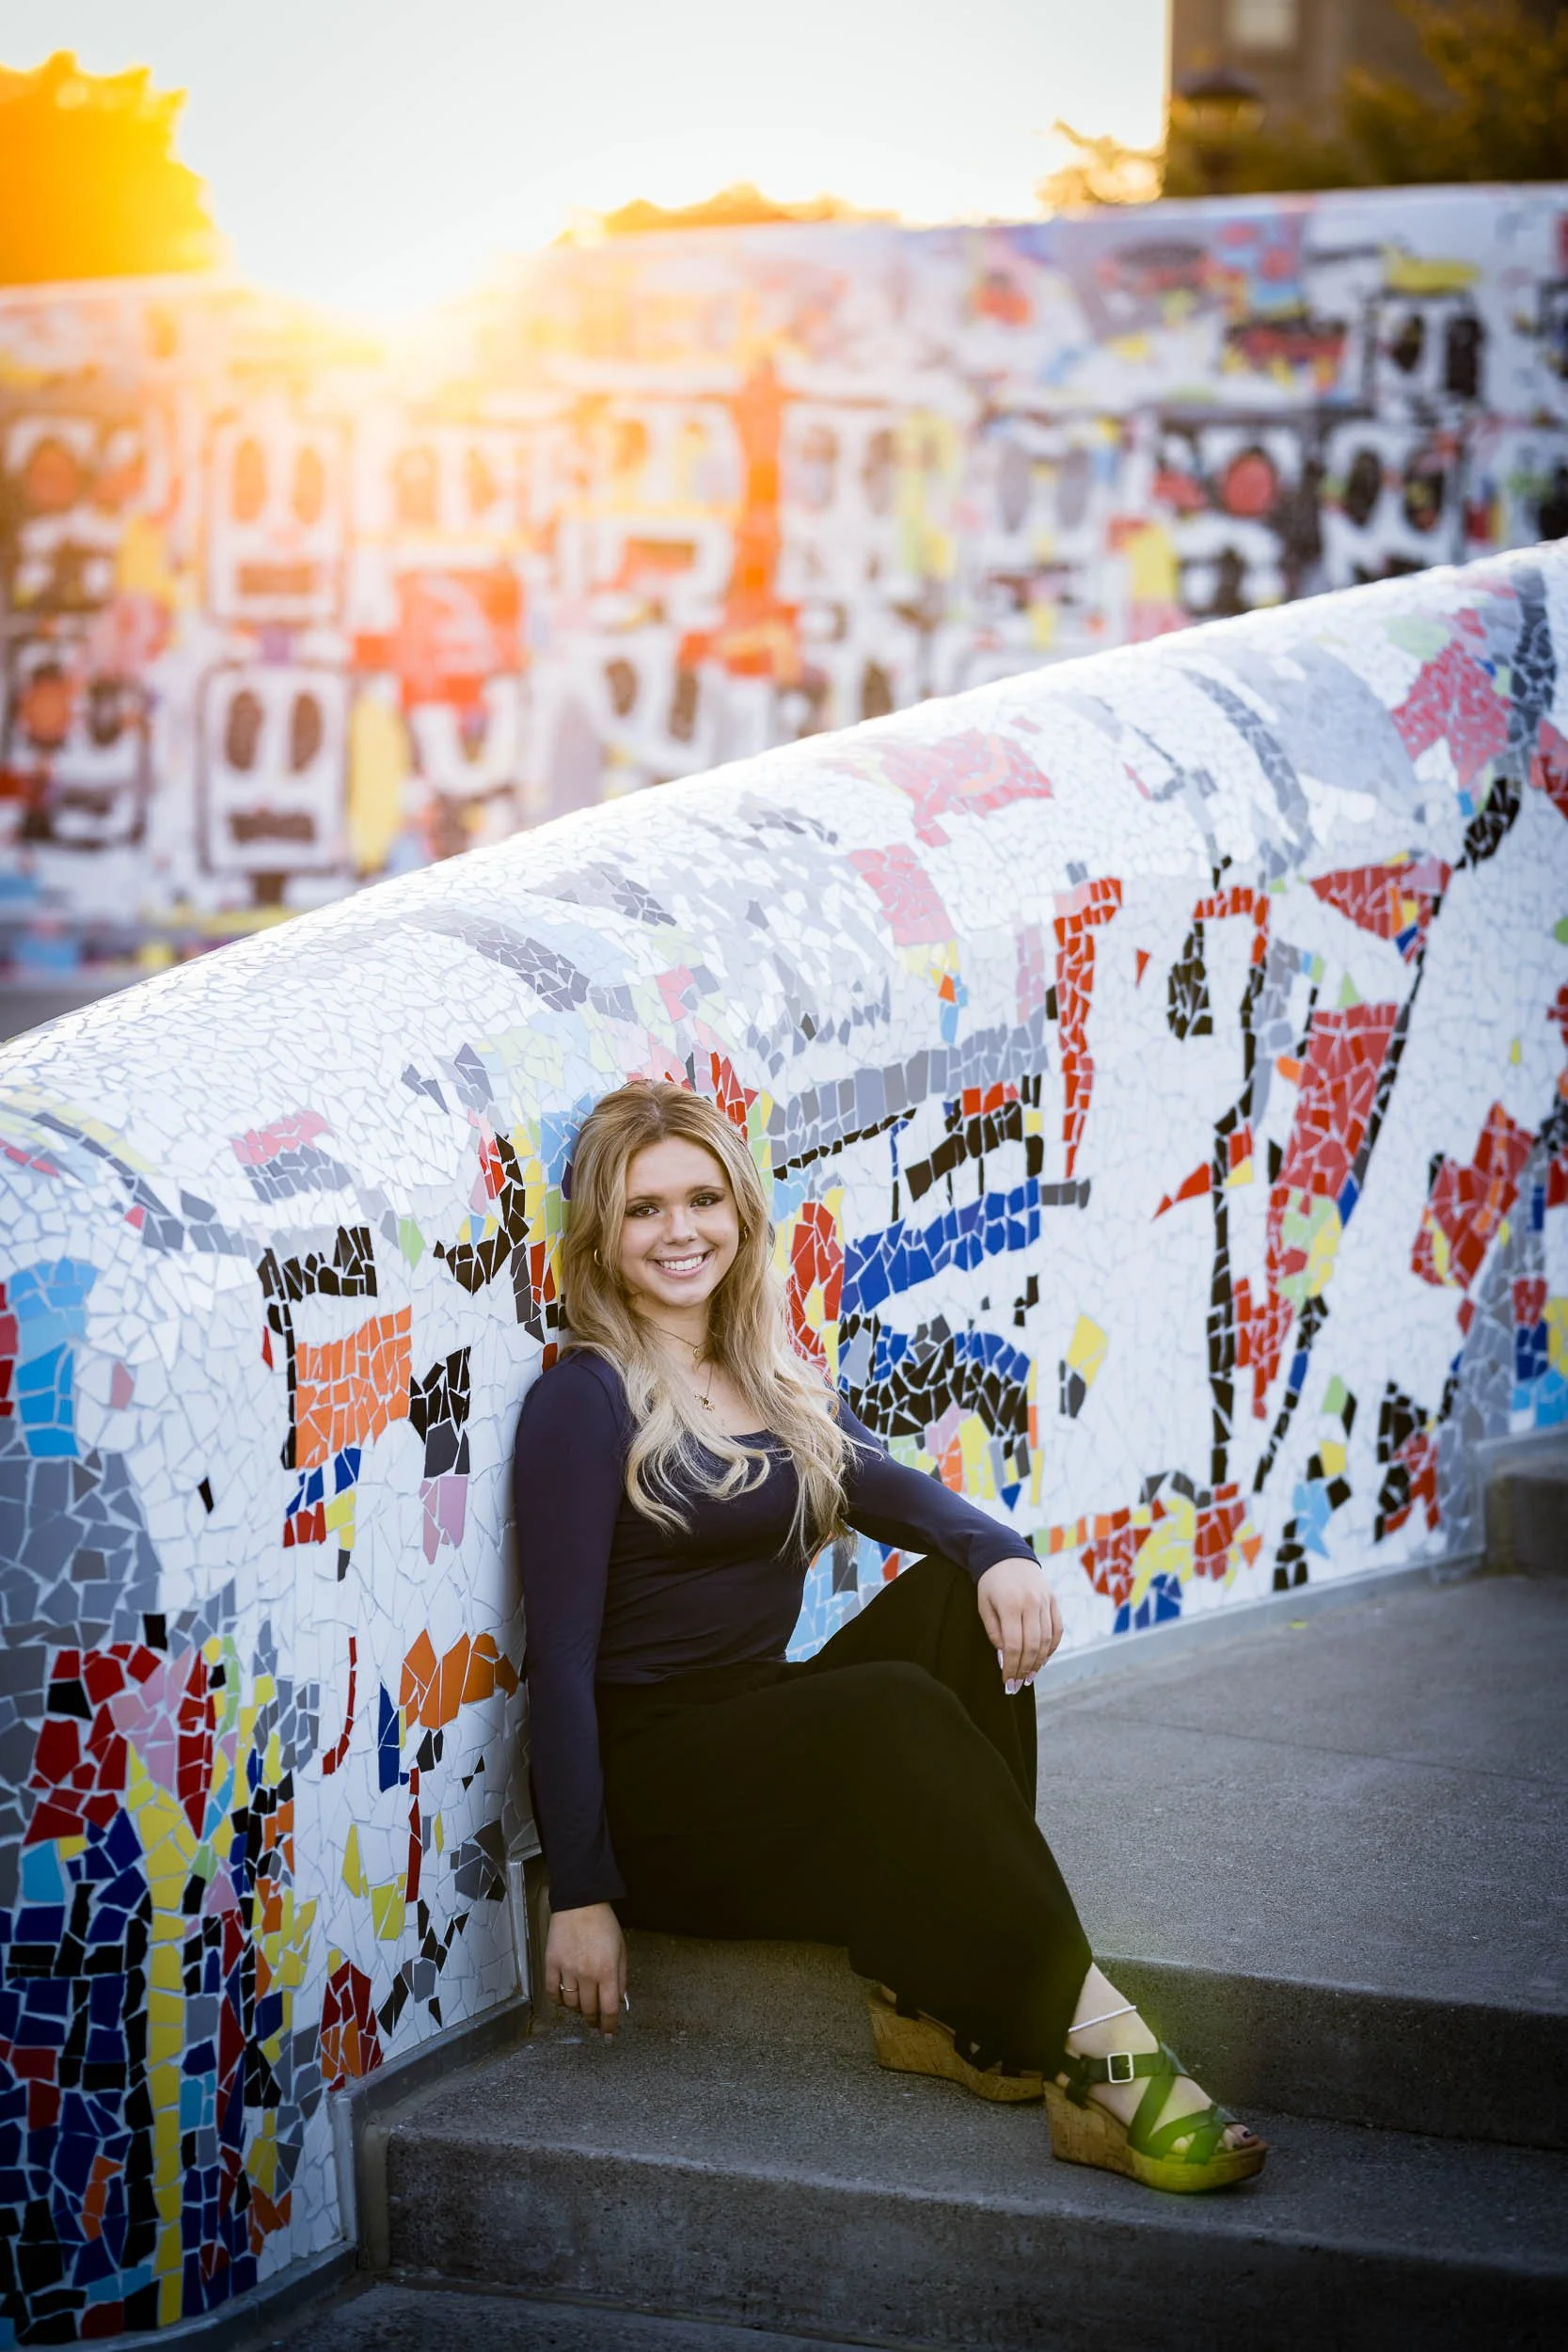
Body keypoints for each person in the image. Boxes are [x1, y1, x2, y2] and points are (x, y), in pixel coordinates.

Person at [512, 1080, 1265, 2194]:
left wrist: (999, 1548)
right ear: (600, 1233)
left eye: (702, 1199)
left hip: (755, 1735)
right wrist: (579, 1891)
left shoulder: (768, 1372)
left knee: (959, 1602)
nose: (680, 1232)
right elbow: (561, 1664)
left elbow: (899, 1492)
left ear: (739, 1211)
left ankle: (939, 1991)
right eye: (643, 1209)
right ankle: (1110, 2054)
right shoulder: (583, 1401)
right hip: (662, 1793)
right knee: (892, 1706)